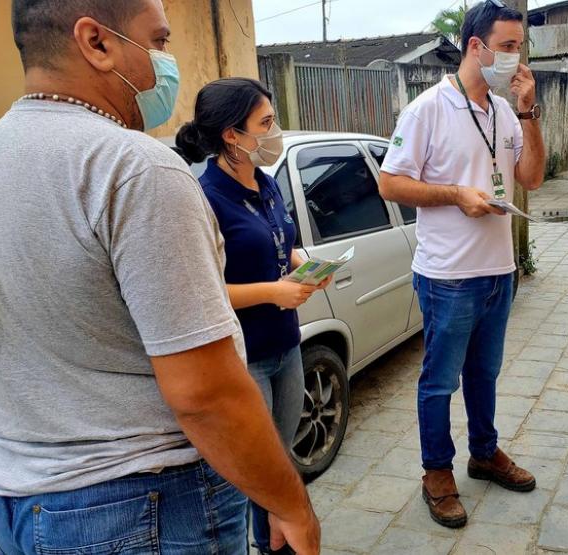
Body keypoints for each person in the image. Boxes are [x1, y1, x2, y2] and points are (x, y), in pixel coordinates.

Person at [0, 1, 319, 553]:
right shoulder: (138, 168)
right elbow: (204, 392)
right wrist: (289, 503)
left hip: (14, 494)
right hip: (143, 505)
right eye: (158, 42)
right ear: (97, 42)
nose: (167, 62)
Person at [378, 0, 546, 529]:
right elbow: (390, 183)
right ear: (477, 46)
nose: (516, 59)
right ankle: (436, 472)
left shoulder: (503, 111)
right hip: (448, 275)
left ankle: (484, 451)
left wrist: (529, 110)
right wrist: (455, 195)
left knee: (485, 374)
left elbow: (532, 178)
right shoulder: (427, 109)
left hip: (498, 271)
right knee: (439, 380)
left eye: (520, 47)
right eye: (509, 47)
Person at [175, 78, 331, 554]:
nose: (275, 132)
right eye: (265, 123)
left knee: (279, 464)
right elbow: (201, 292)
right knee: (254, 477)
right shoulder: (204, 198)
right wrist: (274, 292)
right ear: (232, 135)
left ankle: (274, 543)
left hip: (287, 344)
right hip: (245, 358)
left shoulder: (265, 183)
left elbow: (282, 242)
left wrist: (303, 264)